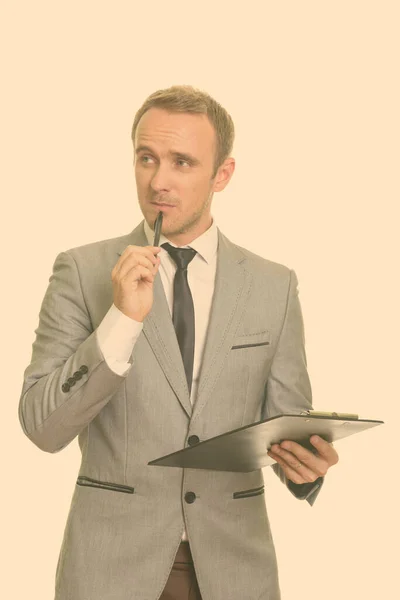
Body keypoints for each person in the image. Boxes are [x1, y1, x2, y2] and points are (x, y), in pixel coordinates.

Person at [18, 84, 339, 600]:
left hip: (235, 569)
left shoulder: (274, 286)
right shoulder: (82, 271)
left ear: (222, 174)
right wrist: (121, 319)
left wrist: (304, 468)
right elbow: (42, 425)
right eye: (147, 158)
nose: (158, 181)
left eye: (182, 163)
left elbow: (285, 423)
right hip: (110, 570)